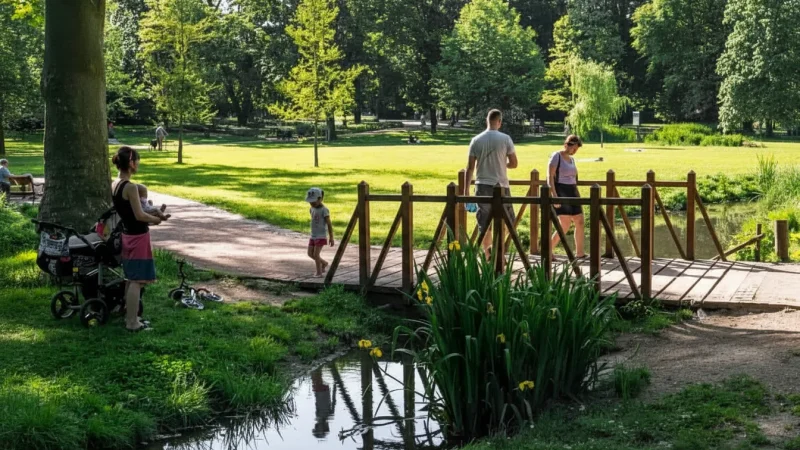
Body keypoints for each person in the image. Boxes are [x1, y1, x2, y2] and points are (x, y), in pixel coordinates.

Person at [111, 146, 164, 332]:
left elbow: (136, 209)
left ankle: (130, 316)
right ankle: (132, 323)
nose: (138, 164)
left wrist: (152, 210)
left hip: (127, 234)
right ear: (131, 163)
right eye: (137, 161)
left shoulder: (116, 184)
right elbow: (140, 215)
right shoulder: (130, 187)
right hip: (137, 236)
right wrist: (156, 220)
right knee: (137, 280)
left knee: (130, 277)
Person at [463, 109, 518, 258]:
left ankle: (488, 256)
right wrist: (503, 163)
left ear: (486, 121)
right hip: (501, 185)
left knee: (484, 224)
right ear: (499, 122)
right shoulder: (506, 139)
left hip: (482, 185)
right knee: (509, 222)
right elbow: (514, 163)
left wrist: (466, 191)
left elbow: (469, 168)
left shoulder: (476, 140)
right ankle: (494, 249)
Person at [548, 135, 585, 258]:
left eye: (577, 149)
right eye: (574, 148)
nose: (575, 151)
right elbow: (550, 177)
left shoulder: (572, 159)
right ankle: (548, 250)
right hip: (561, 190)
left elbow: (574, 177)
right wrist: (554, 195)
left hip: (573, 191)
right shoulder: (556, 156)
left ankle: (580, 253)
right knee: (565, 224)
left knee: (580, 221)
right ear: (568, 145)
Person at [305, 187, 334, 277]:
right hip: (313, 235)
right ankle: (324, 263)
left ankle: (319, 273)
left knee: (316, 254)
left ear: (320, 199)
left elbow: (329, 224)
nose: (311, 203)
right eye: (310, 202)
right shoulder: (312, 209)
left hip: (321, 236)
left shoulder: (324, 210)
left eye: (313, 202)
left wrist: (331, 237)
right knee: (310, 254)